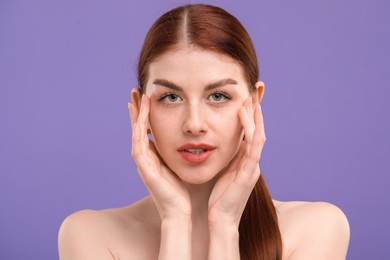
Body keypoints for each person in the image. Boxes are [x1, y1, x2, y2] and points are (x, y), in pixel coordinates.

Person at [58, 4, 350, 260]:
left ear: (254, 103)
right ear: (140, 109)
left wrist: (224, 226)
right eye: (171, 97)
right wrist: (175, 221)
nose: (194, 124)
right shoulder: (89, 235)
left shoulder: (317, 228)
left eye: (219, 96)